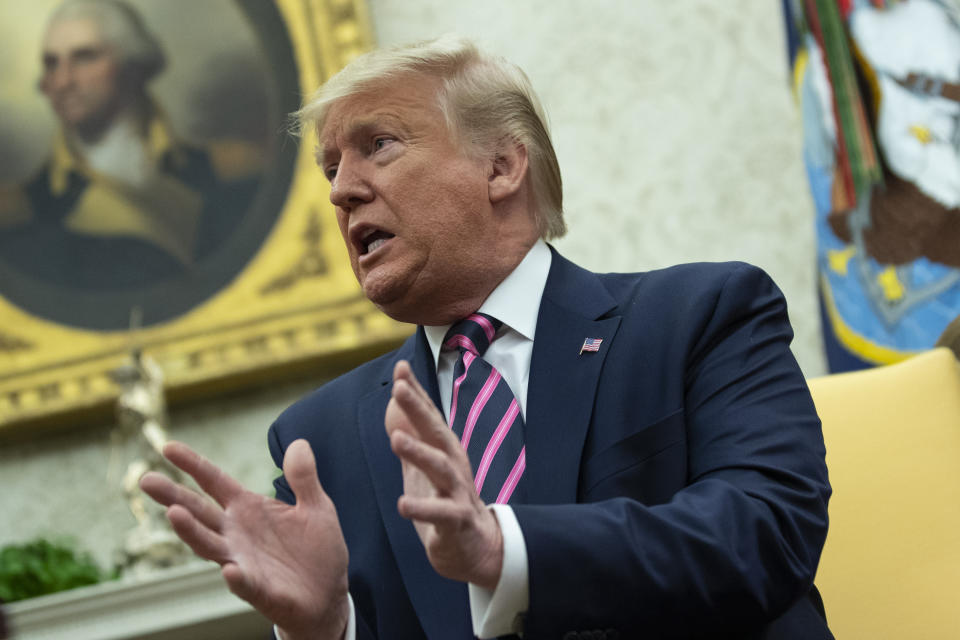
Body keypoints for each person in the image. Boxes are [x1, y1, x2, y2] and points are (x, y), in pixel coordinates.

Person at [141, 36, 832, 639]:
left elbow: (767, 534)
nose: (341, 190)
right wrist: (325, 629)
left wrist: (504, 548)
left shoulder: (696, 317)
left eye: (377, 145)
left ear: (502, 166)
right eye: (331, 168)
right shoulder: (321, 439)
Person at [0, 0, 260, 292]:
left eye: (84, 57)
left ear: (132, 66)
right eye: (51, 64)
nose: (62, 81)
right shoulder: (19, 213)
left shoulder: (232, 169)